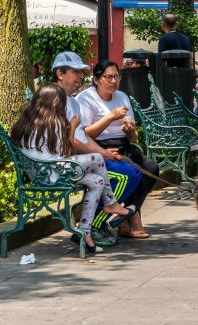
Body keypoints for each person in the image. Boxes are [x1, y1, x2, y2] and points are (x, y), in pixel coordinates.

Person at [11, 84, 132, 254]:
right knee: (97, 158)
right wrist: (73, 126)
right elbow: (67, 150)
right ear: (54, 103)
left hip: (39, 173)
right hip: (55, 172)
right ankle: (111, 203)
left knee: (97, 181)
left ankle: (85, 231)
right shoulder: (54, 123)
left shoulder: (26, 123)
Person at [51, 51, 139, 247]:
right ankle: (107, 211)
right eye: (76, 72)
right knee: (126, 175)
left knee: (102, 178)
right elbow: (71, 140)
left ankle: (84, 232)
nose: (80, 76)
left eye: (117, 76)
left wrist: (108, 149)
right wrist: (103, 152)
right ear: (60, 73)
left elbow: (79, 137)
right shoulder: (52, 98)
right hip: (52, 164)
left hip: (77, 158)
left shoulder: (71, 101)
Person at [78, 60, 161, 239]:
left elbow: (133, 137)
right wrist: (109, 118)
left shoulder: (122, 96)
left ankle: (128, 215)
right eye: (108, 77)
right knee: (132, 172)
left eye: (116, 76)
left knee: (152, 168)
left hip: (124, 146)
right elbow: (84, 134)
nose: (113, 81)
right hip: (99, 148)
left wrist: (130, 131)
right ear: (96, 80)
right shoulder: (86, 98)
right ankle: (131, 218)